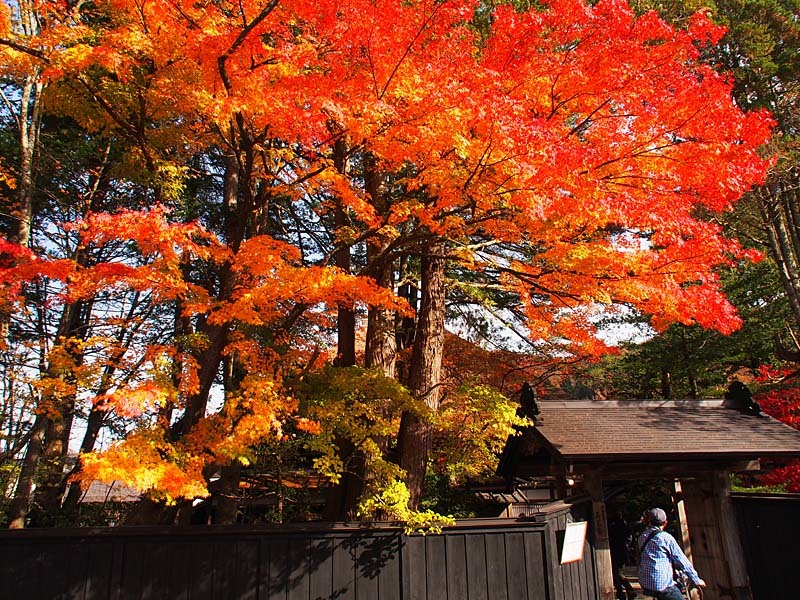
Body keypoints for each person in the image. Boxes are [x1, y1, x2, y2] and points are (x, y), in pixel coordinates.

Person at [637, 508, 706, 600]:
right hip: (662, 584)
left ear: (649, 521)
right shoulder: (666, 538)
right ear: (665, 522)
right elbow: (681, 559)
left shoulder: (642, 537)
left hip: (645, 582)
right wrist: (696, 579)